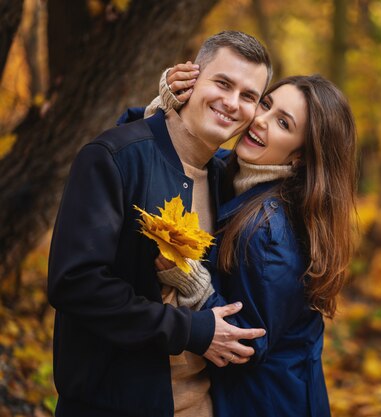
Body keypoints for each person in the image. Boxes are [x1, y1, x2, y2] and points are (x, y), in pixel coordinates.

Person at [47, 31, 272, 417]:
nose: (232, 103)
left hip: (201, 407)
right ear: (190, 77)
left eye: (248, 96)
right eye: (222, 83)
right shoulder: (113, 158)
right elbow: (75, 284)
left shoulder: (224, 181)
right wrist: (191, 331)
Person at [152, 69, 358, 416]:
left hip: (268, 404)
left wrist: (195, 283)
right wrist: (171, 108)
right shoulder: (238, 175)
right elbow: (181, 148)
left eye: (283, 123)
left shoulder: (267, 232)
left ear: (301, 156)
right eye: (265, 104)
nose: (259, 120)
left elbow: (249, 342)